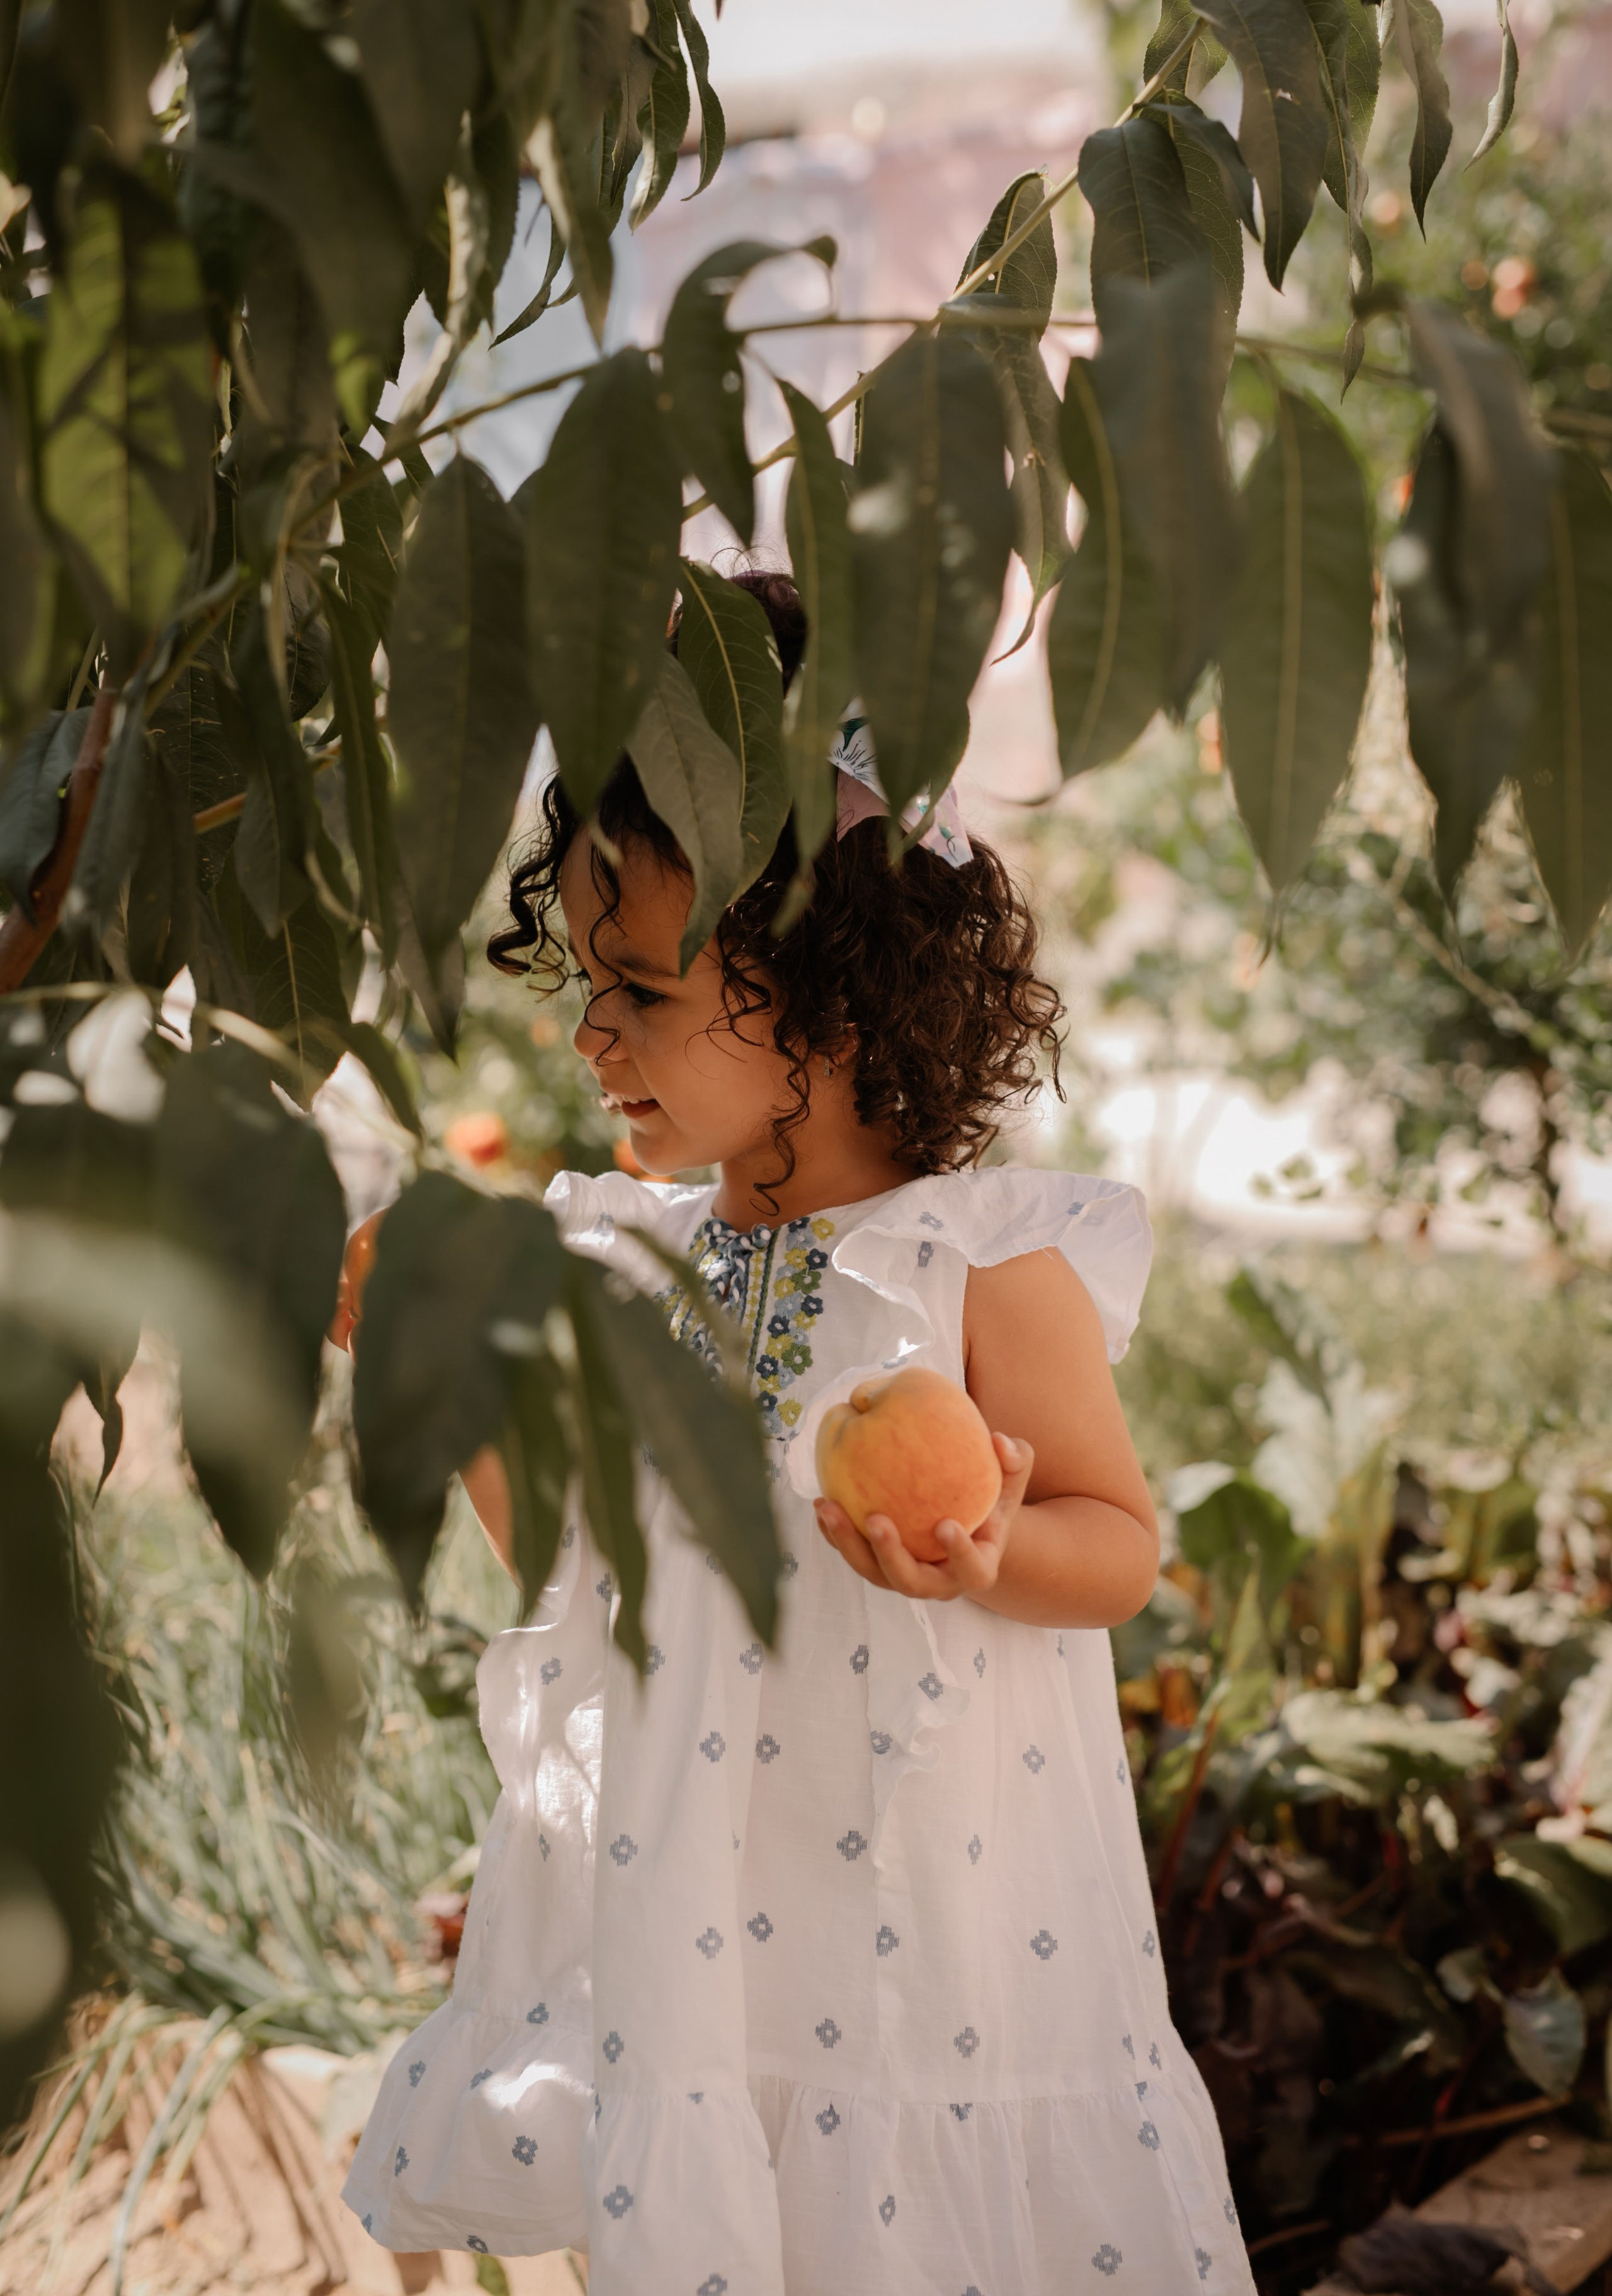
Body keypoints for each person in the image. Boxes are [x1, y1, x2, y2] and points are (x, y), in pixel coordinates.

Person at [339, 573, 1253, 2293]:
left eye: (641, 991)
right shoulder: (632, 1258)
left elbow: (1118, 1545)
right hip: (708, 1927)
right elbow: (580, 1559)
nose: (592, 1033)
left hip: (925, 1917)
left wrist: (987, 1550)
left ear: (829, 1000)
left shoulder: (976, 1263)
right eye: (586, 983)